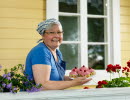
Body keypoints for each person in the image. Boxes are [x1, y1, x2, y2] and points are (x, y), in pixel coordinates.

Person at [24, 18, 92, 90]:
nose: (56, 36)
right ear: (43, 35)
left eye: (59, 32)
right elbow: (42, 85)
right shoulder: (40, 51)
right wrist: (73, 83)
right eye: (51, 32)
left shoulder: (57, 53)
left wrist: (74, 79)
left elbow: (57, 78)